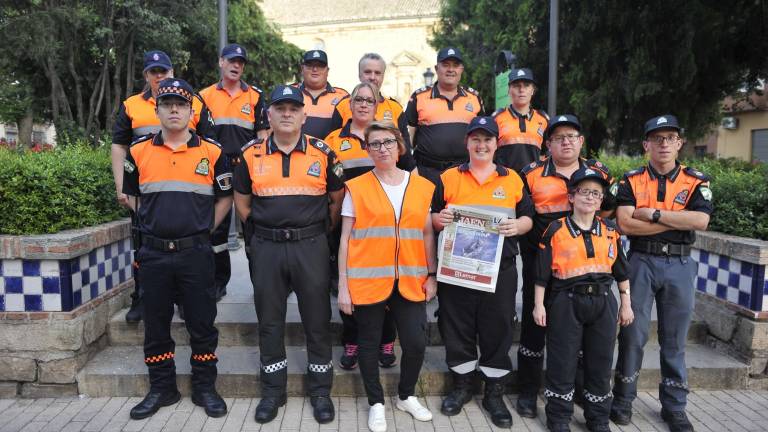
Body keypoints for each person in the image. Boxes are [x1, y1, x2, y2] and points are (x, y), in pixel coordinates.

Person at [233, 84, 344, 425]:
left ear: (303, 115)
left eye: (293, 108)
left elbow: (337, 198)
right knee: (269, 321)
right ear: (269, 114)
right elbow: (242, 202)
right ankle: (272, 391)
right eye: (279, 108)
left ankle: (321, 391)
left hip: (310, 246)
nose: (286, 113)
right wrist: (262, 234)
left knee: (317, 321)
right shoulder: (250, 154)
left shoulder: (323, 153)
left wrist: (318, 231)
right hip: (267, 248)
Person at [122, 78, 231, 420]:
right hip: (153, 255)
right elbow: (132, 198)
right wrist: (157, 225)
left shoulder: (212, 152)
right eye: (167, 103)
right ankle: (162, 389)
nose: (173, 109)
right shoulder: (137, 151)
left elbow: (225, 197)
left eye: (180, 105)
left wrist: (200, 229)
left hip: (195, 253)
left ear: (191, 111)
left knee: (202, 323)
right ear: (157, 109)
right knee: (156, 325)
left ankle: (204, 388)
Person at [610, 115, 713, 432]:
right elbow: (625, 224)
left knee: (674, 339)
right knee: (632, 335)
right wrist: (677, 219)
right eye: (657, 138)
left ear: (680, 142)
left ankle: (674, 406)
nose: (664, 143)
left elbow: (700, 221)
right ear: (646, 145)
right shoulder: (630, 181)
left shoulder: (697, 181)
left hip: (680, 265)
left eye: (670, 137)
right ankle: (623, 400)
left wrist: (655, 215)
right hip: (640, 261)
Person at [432, 116, 534, 428]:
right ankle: (461, 386)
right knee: (457, 326)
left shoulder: (513, 179)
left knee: (498, 328)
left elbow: (529, 217)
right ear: (467, 143)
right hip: (457, 270)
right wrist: (441, 219)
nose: (481, 144)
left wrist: (517, 225)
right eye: (475, 138)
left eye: (487, 139)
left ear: (496, 143)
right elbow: (431, 217)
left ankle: (494, 392)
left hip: (499, 269)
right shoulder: (448, 178)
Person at [337, 120, 437, 432]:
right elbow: (345, 240)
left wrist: (432, 274)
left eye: (388, 142)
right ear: (367, 150)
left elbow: (426, 234)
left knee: (416, 342)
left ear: (400, 147)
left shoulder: (422, 186)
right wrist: (343, 286)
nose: (382, 148)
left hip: (410, 279)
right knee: (368, 344)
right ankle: (376, 402)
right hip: (367, 280)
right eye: (375, 144)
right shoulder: (357, 187)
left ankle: (405, 396)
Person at [516, 115, 615, 418]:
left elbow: (607, 210)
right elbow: (522, 212)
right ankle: (528, 392)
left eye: (572, 135)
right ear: (548, 144)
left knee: (582, 336)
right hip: (541, 260)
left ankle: (582, 391)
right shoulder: (531, 173)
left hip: (583, 268)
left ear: (581, 141)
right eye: (559, 137)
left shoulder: (599, 172)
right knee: (535, 328)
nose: (566, 141)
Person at [112, 50, 215, 322]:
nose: (159, 76)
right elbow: (119, 145)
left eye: (163, 71)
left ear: (172, 72)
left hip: (186, 183)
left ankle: (183, 300)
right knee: (143, 245)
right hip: (146, 184)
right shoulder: (131, 104)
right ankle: (142, 299)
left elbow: (208, 145)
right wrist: (121, 185)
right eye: (153, 72)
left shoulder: (193, 101)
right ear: (146, 75)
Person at [533, 166, 634, 432]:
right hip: (566, 301)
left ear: (601, 200)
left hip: (603, 302)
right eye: (584, 192)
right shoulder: (555, 230)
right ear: (571, 197)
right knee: (562, 360)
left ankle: (598, 417)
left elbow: (621, 271)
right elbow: (542, 273)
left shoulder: (611, 230)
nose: (590, 198)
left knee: (600, 362)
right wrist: (538, 305)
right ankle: (558, 417)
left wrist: (626, 303)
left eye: (596, 193)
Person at [324, 82, 417, 371]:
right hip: (349, 223)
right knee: (351, 285)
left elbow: (411, 176)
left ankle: (386, 341)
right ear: (349, 104)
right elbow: (327, 185)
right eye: (358, 99)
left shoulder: (389, 137)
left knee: (388, 284)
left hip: (386, 226)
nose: (363, 104)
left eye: (369, 100)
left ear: (377, 106)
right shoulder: (331, 140)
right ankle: (352, 341)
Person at [200, 43, 269, 300]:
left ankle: (261, 285)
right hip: (215, 170)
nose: (236, 65)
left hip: (246, 170)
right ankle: (218, 282)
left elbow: (262, 136)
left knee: (254, 227)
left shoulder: (255, 96)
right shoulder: (204, 95)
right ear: (221, 62)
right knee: (215, 230)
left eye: (241, 62)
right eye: (231, 61)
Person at [406, 47, 484, 185]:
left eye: (455, 65)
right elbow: (407, 137)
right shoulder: (419, 97)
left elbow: (483, 137)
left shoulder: (474, 97)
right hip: (427, 174)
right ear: (436, 68)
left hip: (466, 173)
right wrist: (411, 168)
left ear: (462, 69)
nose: (451, 69)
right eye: (445, 65)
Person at [330, 53, 413, 149]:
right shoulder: (343, 106)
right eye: (367, 72)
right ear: (359, 75)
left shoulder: (395, 109)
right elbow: (332, 143)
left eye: (377, 73)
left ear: (383, 76)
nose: (372, 77)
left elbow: (405, 152)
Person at [492, 68, 549, 173]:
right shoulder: (497, 118)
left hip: (533, 182)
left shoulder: (544, 119)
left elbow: (546, 154)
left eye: (526, 85)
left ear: (532, 90)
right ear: (509, 90)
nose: (521, 90)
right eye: (516, 86)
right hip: (504, 181)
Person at [294, 49, 349, 140]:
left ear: (327, 70)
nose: (315, 69)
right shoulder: (290, 93)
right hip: (295, 152)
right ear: (302, 69)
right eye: (310, 65)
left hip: (332, 152)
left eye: (320, 66)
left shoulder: (343, 97)